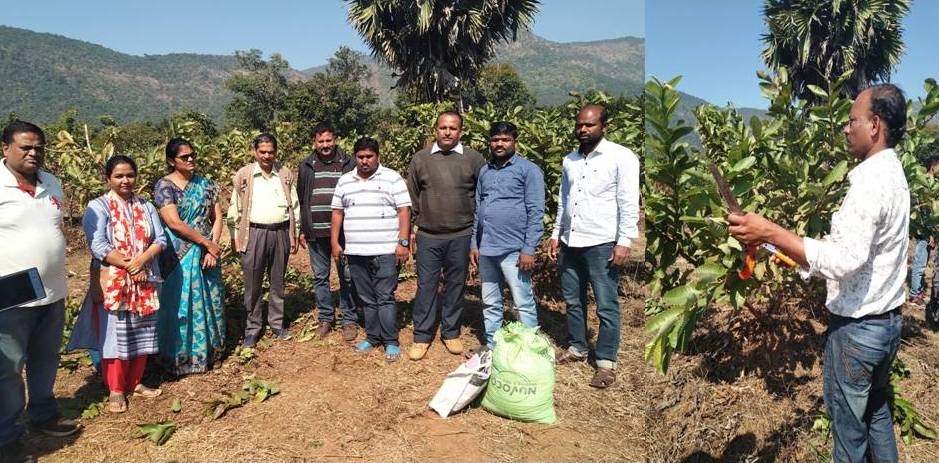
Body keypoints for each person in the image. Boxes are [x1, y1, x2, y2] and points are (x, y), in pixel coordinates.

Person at [727, 84, 908, 463]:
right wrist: (793, 251)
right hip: (887, 325)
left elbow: (843, 260)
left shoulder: (869, 182)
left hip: (857, 333)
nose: (845, 128)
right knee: (876, 413)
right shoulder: (893, 172)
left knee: (848, 437)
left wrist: (771, 232)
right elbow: (860, 251)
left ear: (874, 125)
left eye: (852, 120)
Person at [0, 121, 80, 461]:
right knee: (8, 366)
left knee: (46, 358)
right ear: (5, 148)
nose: (34, 153)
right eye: (25, 147)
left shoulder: (52, 183)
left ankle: (43, 414)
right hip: (10, 293)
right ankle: (8, 437)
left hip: (52, 288)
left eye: (39, 148)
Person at [546, 104, 640, 389]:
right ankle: (577, 348)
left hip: (601, 242)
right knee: (573, 300)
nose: (583, 130)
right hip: (571, 240)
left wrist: (624, 241)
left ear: (604, 126)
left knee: (606, 304)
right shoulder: (569, 161)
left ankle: (606, 362)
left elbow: (628, 201)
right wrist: (555, 233)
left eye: (589, 125)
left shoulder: (621, 157)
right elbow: (564, 200)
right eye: (580, 125)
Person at [69, 155, 166, 414]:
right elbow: (98, 245)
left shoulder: (146, 206)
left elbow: (160, 238)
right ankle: (115, 388)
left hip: (144, 279)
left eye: (130, 175)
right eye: (119, 176)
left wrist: (142, 261)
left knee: (140, 331)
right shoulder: (99, 207)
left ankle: (135, 382)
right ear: (108, 178)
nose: (125, 181)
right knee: (115, 334)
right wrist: (129, 266)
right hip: (114, 281)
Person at [406, 111, 486, 360]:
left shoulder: (474, 159)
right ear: (436, 130)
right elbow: (412, 197)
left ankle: (450, 332)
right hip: (429, 235)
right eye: (443, 127)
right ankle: (422, 335)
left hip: (461, 234)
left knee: (455, 285)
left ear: (460, 131)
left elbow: (482, 195)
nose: (448, 132)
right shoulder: (420, 159)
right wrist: (412, 230)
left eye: (453, 128)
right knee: (426, 286)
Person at [331, 138, 411, 362]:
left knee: (384, 297)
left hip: (385, 250)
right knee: (366, 298)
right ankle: (373, 337)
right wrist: (335, 243)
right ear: (355, 157)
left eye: (369, 157)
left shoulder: (392, 178)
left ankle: (391, 341)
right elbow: (337, 213)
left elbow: (404, 211)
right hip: (355, 251)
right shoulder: (345, 181)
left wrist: (403, 243)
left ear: (378, 156)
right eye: (360, 157)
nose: (364, 161)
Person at [469, 121, 545, 349]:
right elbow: (478, 209)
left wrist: (528, 248)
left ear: (515, 142)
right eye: (495, 139)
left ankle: (530, 347)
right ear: (490, 142)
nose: (499, 144)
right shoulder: (485, 171)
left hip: (514, 249)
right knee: (490, 301)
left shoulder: (528, 170)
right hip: (487, 248)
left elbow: (536, 211)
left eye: (505, 139)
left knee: (522, 301)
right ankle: (493, 346)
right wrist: (474, 243)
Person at [153, 138, 225, 375]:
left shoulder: (206, 184)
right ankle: (180, 356)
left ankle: (210, 351)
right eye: (185, 157)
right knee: (180, 304)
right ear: (172, 161)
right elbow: (173, 222)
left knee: (209, 299)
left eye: (193, 155)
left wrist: (212, 246)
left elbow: (217, 217)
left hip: (207, 251)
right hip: (178, 255)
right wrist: (205, 243)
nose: (191, 159)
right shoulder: (165, 186)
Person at [228, 133, 299, 348]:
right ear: (255, 152)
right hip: (254, 233)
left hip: (280, 233)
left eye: (271, 152)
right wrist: (234, 236)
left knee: (277, 280)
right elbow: (235, 207)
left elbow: (294, 205)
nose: (267, 156)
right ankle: (253, 328)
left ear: (276, 152)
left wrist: (294, 233)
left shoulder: (284, 174)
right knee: (253, 282)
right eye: (262, 152)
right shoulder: (245, 175)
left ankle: (276, 323)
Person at [297, 123, 359, 342]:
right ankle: (326, 318)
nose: (325, 145)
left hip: (344, 232)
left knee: (347, 276)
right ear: (315, 142)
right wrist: (303, 228)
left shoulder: (349, 163)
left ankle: (349, 319)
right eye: (320, 141)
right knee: (320, 277)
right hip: (316, 231)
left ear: (335, 140)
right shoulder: (306, 165)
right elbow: (302, 197)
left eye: (328, 141)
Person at [909, 155, 939, 307]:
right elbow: (925, 213)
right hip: (923, 233)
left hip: (925, 232)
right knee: (919, 265)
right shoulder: (924, 184)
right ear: (933, 166)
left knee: (922, 263)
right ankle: (914, 296)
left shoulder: (931, 183)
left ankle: (918, 291)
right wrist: (930, 234)